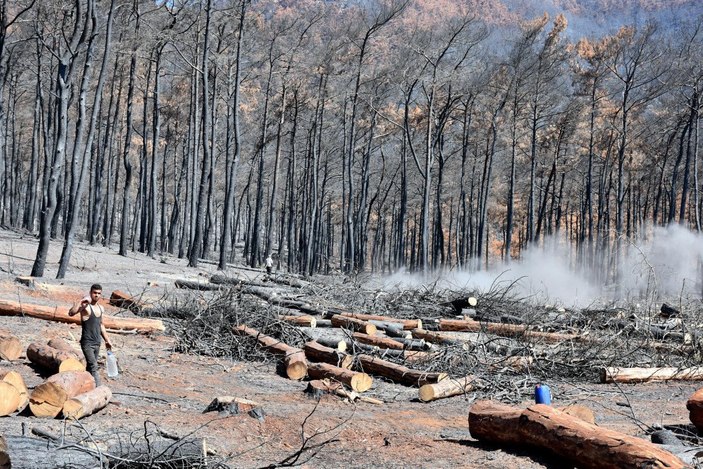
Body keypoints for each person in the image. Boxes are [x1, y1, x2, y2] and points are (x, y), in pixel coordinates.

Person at [68, 284, 113, 386]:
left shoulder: (100, 308)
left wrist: (107, 340)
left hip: (97, 342)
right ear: (90, 293)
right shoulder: (85, 307)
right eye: (94, 293)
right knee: (93, 366)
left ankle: (86, 387)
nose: (96, 295)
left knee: (90, 367)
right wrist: (81, 302)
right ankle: (98, 389)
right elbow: (71, 313)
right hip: (87, 342)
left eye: (99, 293)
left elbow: (101, 325)